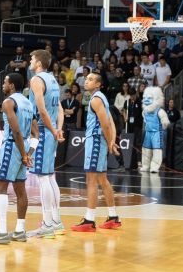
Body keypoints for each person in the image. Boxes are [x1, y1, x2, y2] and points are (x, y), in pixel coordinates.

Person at [70, 72, 122, 232]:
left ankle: (89, 220)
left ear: (98, 84)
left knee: (91, 180)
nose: (86, 81)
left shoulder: (96, 99)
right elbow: (111, 122)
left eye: (91, 79)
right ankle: (113, 217)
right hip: (101, 142)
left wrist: (110, 141)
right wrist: (112, 141)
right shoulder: (101, 98)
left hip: (96, 142)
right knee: (102, 180)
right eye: (86, 79)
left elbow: (106, 124)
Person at [0, 73, 34, 244]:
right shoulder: (28, 103)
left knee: (0, 187)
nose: (3, 85)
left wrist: (23, 153)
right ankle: (20, 231)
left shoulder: (9, 102)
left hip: (13, 146)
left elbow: (16, 131)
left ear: (12, 86)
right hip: (24, 146)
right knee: (20, 189)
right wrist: (28, 153)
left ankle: (1, 232)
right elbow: (34, 131)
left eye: (5, 82)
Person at [26, 49, 64, 238]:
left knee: (42, 178)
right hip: (52, 131)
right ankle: (56, 221)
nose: (30, 61)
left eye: (32, 59)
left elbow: (41, 110)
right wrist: (58, 129)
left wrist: (50, 130)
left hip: (43, 130)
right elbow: (60, 110)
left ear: (39, 63)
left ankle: (47, 223)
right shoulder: (53, 79)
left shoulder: (36, 80)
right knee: (50, 177)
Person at [140, 86, 166, 174]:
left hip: (156, 133)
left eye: (150, 98)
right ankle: (145, 166)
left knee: (157, 150)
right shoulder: (144, 111)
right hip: (148, 133)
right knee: (146, 149)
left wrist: (164, 124)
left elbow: (164, 120)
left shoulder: (159, 111)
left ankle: (154, 167)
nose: (147, 100)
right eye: (145, 98)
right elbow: (144, 120)